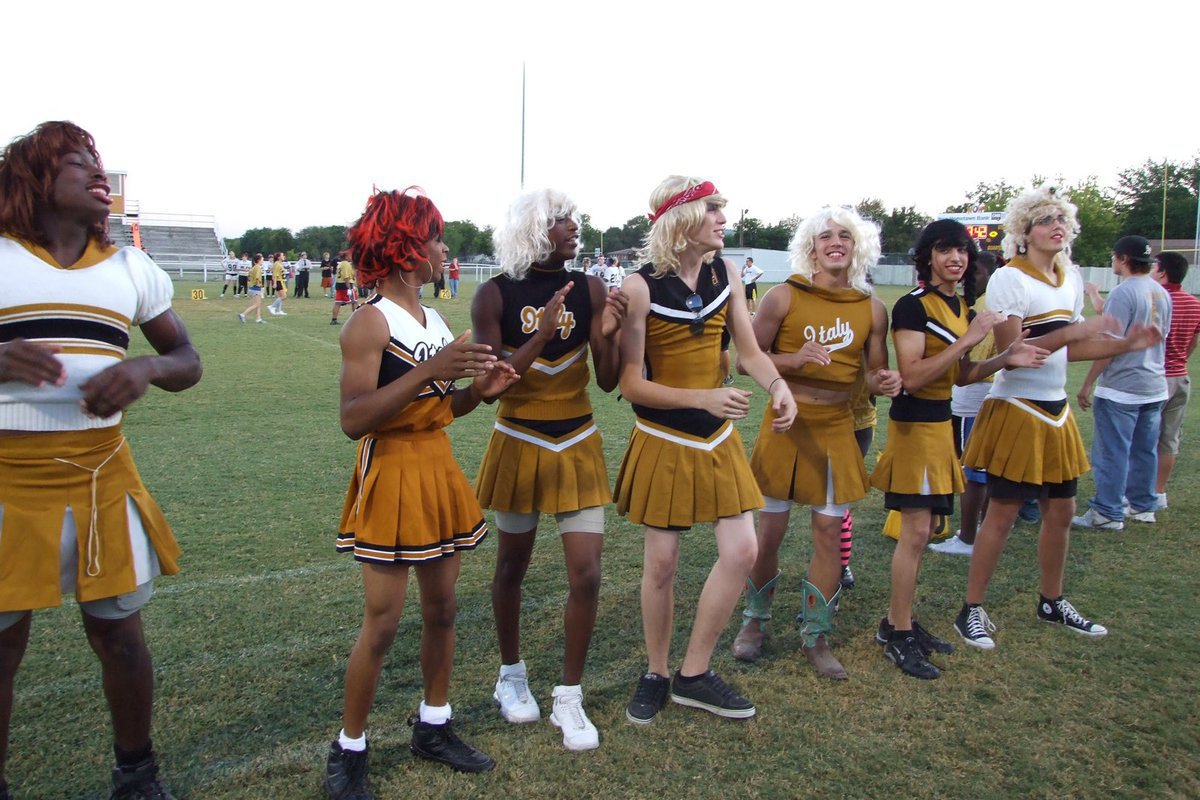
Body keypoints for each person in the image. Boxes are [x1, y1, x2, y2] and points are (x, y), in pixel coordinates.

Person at [0, 120, 202, 800]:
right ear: (34, 178)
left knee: (119, 636)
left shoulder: (130, 267)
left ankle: (137, 774)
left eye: (100, 161)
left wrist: (144, 368)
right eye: (79, 161)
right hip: (6, 479)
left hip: (101, 476)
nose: (98, 173)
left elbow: (187, 361)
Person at [322, 188, 518, 798]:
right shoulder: (369, 321)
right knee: (382, 624)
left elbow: (443, 409)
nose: (443, 249)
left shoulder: (433, 320)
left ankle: (434, 725)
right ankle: (349, 750)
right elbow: (354, 418)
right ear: (407, 249)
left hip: (436, 467)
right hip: (392, 473)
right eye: (434, 237)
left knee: (443, 610)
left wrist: (479, 392)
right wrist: (432, 370)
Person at [613, 176, 796, 723]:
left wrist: (777, 386)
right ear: (681, 216)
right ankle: (656, 671)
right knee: (662, 564)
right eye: (712, 208)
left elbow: (749, 351)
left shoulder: (728, 272)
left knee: (742, 552)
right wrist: (703, 396)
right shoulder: (639, 286)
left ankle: (694, 672)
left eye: (722, 208)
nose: (722, 217)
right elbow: (629, 384)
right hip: (663, 438)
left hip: (717, 439)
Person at [956, 188, 1162, 650]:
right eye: (1045, 219)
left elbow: (1073, 347)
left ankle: (1052, 600)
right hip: (1017, 408)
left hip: (1056, 409)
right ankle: (970, 609)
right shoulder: (1010, 278)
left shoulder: (1068, 279)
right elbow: (1016, 352)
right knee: (1003, 513)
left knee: (1063, 511)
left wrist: (1125, 345)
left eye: (1061, 219)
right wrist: (1078, 329)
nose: (1057, 225)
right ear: (1023, 233)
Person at [472, 189, 627, 752]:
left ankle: (569, 695)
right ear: (536, 229)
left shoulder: (590, 286)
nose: (574, 228)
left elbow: (608, 380)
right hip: (519, 436)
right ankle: (511, 675)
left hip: (578, 436)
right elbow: (490, 389)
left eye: (575, 220)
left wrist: (608, 334)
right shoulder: (493, 293)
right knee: (512, 567)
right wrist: (540, 335)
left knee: (585, 574)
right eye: (563, 221)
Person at [871, 220, 1046, 679]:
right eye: (946, 249)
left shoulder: (962, 305)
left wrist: (1003, 358)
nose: (957, 258)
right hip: (914, 429)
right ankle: (899, 633)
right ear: (927, 256)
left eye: (962, 251)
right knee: (914, 533)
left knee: (925, 531)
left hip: (940, 426)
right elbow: (911, 377)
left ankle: (897, 623)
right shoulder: (913, 307)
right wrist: (969, 340)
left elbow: (962, 375)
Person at [730, 206, 901, 678]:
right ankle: (754, 622)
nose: (835, 242)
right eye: (825, 235)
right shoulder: (783, 297)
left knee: (828, 533)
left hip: (837, 429)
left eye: (845, 235)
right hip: (786, 427)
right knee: (770, 532)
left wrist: (883, 381)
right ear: (811, 247)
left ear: (857, 246)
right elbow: (746, 361)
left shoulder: (872, 308)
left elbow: (869, 375)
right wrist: (795, 359)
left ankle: (816, 634)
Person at [1072, 235, 1170, 530]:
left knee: (1112, 451)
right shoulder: (1159, 291)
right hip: (1154, 382)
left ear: (1123, 259)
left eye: (1115, 256)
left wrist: (1087, 383)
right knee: (1145, 448)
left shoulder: (1123, 292)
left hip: (1123, 386)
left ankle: (1107, 512)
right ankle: (1142, 505)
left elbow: (1108, 345)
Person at [931, 252, 1001, 556]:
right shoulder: (977, 306)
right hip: (988, 393)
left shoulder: (982, 309)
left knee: (974, 468)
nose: (968, 278)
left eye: (976, 273)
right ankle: (984, 529)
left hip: (975, 396)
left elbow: (972, 363)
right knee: (983, 467)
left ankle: (970, 537)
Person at [1150, 251, 1200, 508]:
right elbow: (1193, 339)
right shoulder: (1194, 303)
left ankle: (1136, 494)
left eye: (1153, 266)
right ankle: (1159, 493)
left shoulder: (1157, 300)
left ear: (1162, 272)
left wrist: (1092, 293)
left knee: (1143, 439)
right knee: (1169, 440)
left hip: (1156, 378)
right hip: (1180, 376)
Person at [239, 254, 268, 323]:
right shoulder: (257, 267)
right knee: (257, 304)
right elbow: (257, 278)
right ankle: (243, 314)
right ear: (258, 260)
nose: (263, 261)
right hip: (256, 288)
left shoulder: (253, 267)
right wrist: (260, 287)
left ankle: (258, 318)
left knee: (257, 304)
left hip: (251, 287)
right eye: (262, 260)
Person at [331, 257, 359, 324]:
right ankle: (356, 319)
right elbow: (346, 277)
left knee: (337, 303)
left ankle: (334, 319)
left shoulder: (340, 264)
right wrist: (349, 288)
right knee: (355, 302)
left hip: (339, 284)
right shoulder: (346, 264)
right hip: (346, 285)